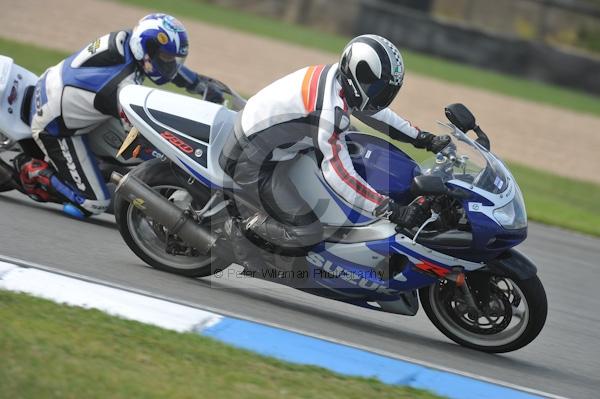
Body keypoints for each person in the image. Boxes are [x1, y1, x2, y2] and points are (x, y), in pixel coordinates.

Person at [219, 34, 450, 270]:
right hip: (252, 161)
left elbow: (372, 111)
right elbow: (340, 176)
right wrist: (389, 209)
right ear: (358, 78)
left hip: (276, 144)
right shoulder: (329, 111)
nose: (382, 95)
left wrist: (422, 138)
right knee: (309, 232)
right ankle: (240, 227)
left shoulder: (338, 81)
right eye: (378, 87)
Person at [15, 13, 225, 218]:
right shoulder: (121, 87)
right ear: (147, 50)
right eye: (166, 58)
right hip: (55, 126)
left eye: (172, 59)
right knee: (93, 203)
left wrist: (199, 84)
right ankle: (34, 171)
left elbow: (164, 67)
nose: (170, 65)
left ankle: (97, 168)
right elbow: (136, 140)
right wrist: (177, 156)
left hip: (58, 88)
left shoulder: (129, 40)